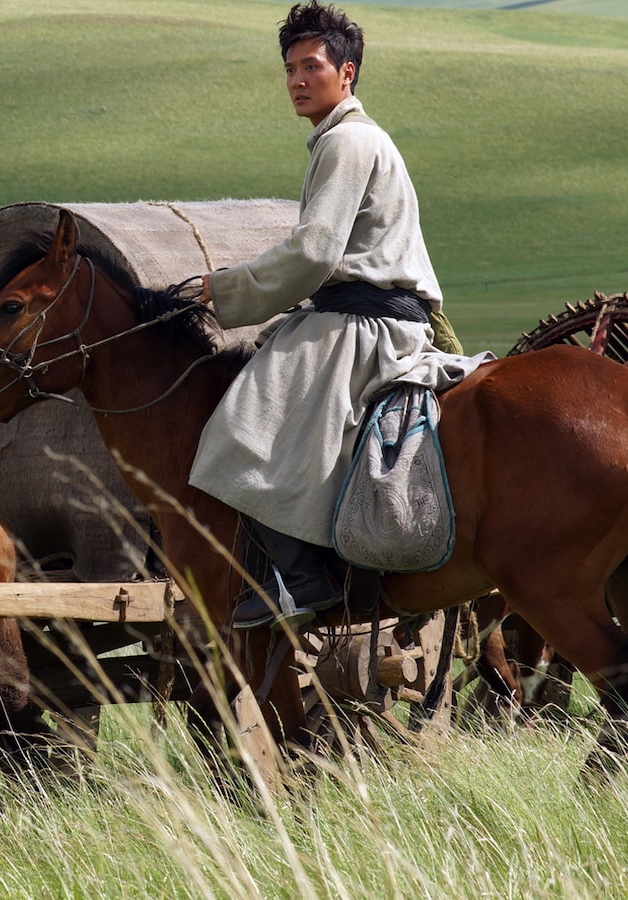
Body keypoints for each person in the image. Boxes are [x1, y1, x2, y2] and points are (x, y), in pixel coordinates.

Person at [191, 1, 484, 630]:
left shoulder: (348, 140)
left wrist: (228, 291)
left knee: (244, 421)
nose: (297, 79)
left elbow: (315, 251)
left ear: (346, 73)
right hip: (365, 316)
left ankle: (301, 579)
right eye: (290, 68)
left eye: (311, 66)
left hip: (364, 325)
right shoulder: (343, 139)